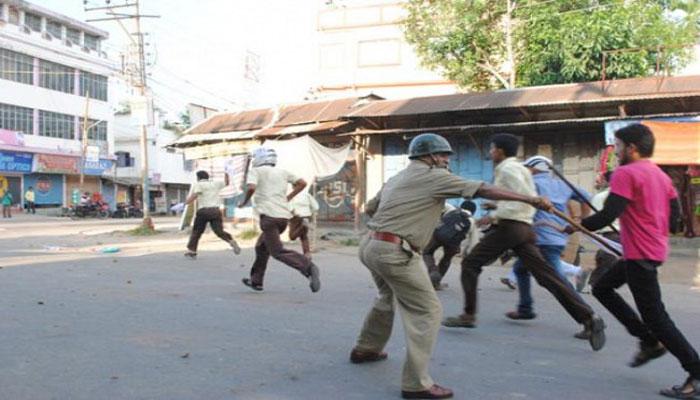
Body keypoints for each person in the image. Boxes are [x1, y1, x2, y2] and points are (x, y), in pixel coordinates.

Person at [349, 133, 552, 400]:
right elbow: (482, 189)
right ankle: (416, 384)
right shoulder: (435, 176)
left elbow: (370, 209)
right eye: (443, 155)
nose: (447, 160)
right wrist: (530, 200)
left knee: (386, 296)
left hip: (371, 245)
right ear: (429, 157)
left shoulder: (398, 177)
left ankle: (367, 348)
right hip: (395, 251)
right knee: (428, 311)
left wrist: (404, 222)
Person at [442, 134, 606, 353]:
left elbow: (522, 197)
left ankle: (468, 315)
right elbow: (521, 197)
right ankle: (589, 318)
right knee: (547, 276)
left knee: (470, 264)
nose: (490, 153)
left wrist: (496, 214)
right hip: (525, 229)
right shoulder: (519, 169)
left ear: (499, 151)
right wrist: (495, 209)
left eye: (491, 149)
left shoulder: (507, 169)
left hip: (511, 227)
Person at [569, 124, 699, 398]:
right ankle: (648, 341)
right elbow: (675, 217)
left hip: (640, 254)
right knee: (603, 288)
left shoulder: (625, 174)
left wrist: (575, 225)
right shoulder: (660, 175)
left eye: (617, 147)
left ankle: (694, 371)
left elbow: (608, 215)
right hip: (649, 250)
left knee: (656, 317)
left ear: (632, 148)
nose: (615, 152)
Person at [505, 155, 591, 323]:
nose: (526, 171)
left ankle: (588, 316)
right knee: (520, 269)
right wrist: (581, 221)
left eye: (528, 168)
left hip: (541, 239)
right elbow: (586, 198)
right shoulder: (562, 185)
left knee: (558, 282)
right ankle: (525, 308)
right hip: (557, 238)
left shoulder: (532, 184)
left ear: (536, 168)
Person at [238, 148, 321, 293]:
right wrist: (288, 197)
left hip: (269, 218)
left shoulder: (256, 171)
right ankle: (256, 281)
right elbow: (302, 183)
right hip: (282, 218)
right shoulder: (283, 172)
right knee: (261, 247)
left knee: (277, 251)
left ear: (258, 159)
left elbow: (251, 188)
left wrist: (245, 201)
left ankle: (308, 267)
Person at [184, 170, 241, 259]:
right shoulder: (215, 184)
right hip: (215, 211)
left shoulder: (198, 184)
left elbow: (195, 195)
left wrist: (186, 202)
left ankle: (192, 251)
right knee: (219, 231)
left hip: (203, 211)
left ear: (198, 178)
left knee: (196, 232)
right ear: (207, 177)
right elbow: (227, 182)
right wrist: (226, 173)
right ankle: (230, 240)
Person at [422, 200, 478, 290]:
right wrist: (468, 253)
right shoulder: (472, 221)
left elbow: (439, 203)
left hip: (438, 235)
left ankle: (433, 270)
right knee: (446, 259)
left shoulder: (451, 209)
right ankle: (436, 283)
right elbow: (473, 243)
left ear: (460, 206)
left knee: (427, 252)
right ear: (474, 212)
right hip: (454, 242)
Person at [288, 187, 320, 260]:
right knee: (304, 236)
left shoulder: (292, 195)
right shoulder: (307, 195)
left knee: (292, 236)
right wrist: (311, 213)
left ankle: (303, 226)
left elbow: (290, 208)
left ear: (293, 187)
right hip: (306, 216)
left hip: (296, 216)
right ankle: (307, 253)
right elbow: (316, 207)